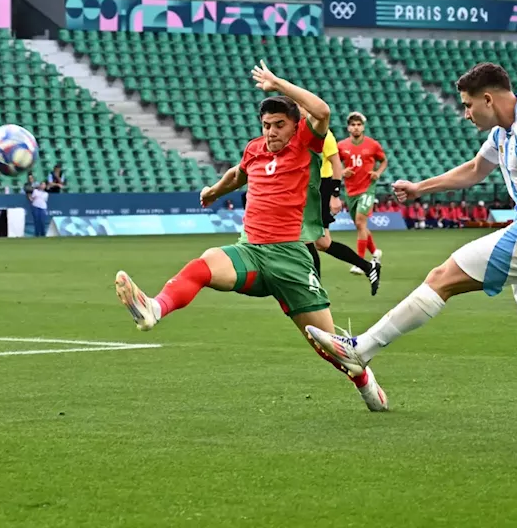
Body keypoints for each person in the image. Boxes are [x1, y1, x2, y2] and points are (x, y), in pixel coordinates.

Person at [306, 63, 517, 434]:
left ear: (488, 98)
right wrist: (421, 188)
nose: (466, 113)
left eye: (468, 105)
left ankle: (362, 349)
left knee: (442, 278)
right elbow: (474, 170)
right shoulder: (505, 129)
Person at [112, 60, 390, 412]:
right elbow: (236, 174)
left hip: (291, 259)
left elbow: (322, 110)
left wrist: (278, 83)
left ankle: (366, 384)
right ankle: (154, 308)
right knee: (205, 263)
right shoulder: (255, 149)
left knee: (329, 345)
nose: (271, 132)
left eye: (278, 125)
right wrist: (213, 191)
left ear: (294, 127)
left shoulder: (306, 144)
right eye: (266, 125)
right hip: (252, 252)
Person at [296, 123, 380, 294]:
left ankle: (315, 288)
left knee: (305, 237)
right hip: (310, 186)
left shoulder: (322, 133)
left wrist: (335, 194)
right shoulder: (300, 131)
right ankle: (368, 266)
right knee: (323, 242)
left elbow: (335, 162)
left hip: (321, 187)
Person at [336, 111, 387, 274]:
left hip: (367, 188)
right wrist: (343, 171)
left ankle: (359, 262)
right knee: (361, 225)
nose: (356, 127)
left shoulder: (372, 144)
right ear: (348, 128)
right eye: (353, 125)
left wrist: (377, 173)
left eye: (359, 124)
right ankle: (375, 252)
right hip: (351, 190)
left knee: (359, 222)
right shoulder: (341, 146)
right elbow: (334, 162)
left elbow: (384, 160)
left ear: (363, 127)